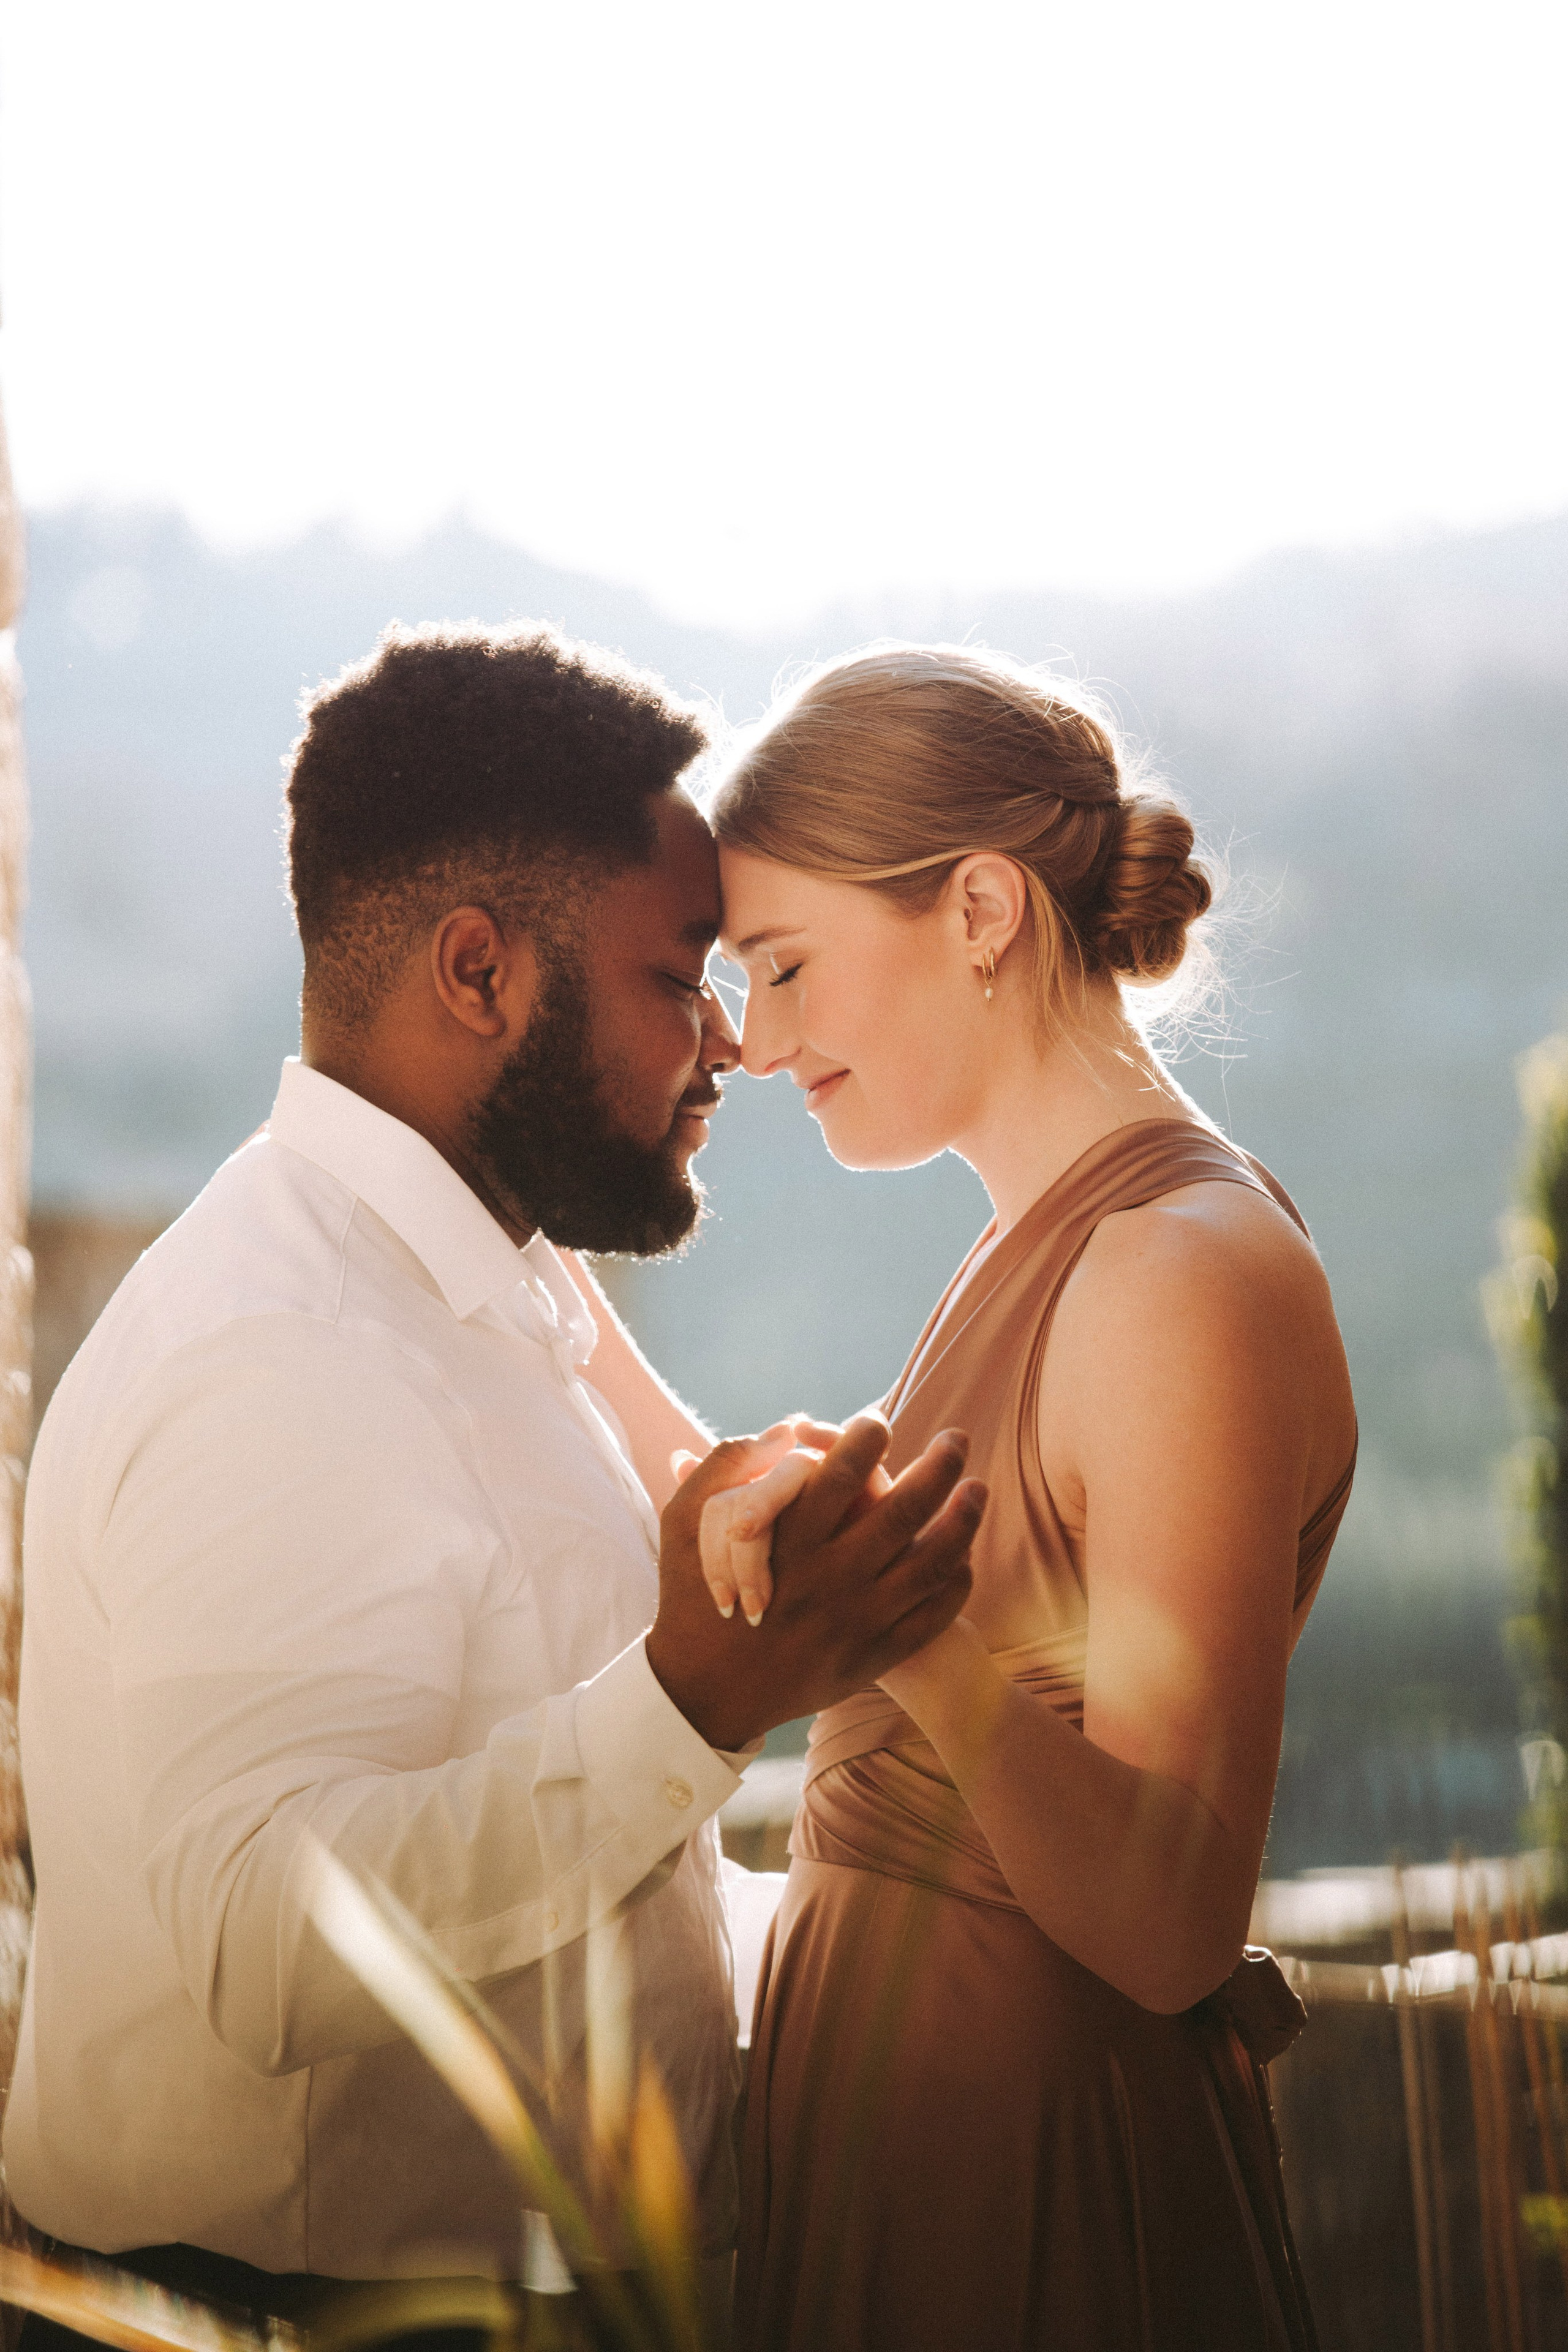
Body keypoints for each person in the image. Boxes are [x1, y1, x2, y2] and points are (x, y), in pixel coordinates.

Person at [4, 622, 985, 2345]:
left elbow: (556, 1864)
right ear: (480, 973)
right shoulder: (282, 1347)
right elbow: (267, 1939)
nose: (734, 1048)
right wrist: (697, 1700)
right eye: (680, 976)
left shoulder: (483, 1289)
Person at [702, 643, 1357, 2352]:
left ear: (981, 908)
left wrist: (894, 1626)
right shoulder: (1036, 1247)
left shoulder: (1169, 1276)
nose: (753, 1044)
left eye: (783, 968)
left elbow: (1166, 1917)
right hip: (905, 2182)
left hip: (1046, 2209)